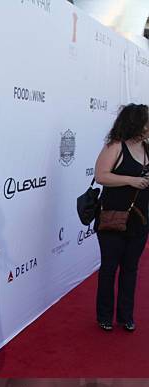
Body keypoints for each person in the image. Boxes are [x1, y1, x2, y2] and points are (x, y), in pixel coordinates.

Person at [94, 103, 149, 332]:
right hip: (113, 219)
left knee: (131, 268)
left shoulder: (147, 147)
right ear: (137, 123)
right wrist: (131, 180)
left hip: (140, 219)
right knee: (109, 268)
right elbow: (100, 176)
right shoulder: (115, 146)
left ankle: (126, 315)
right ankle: (104, 316)